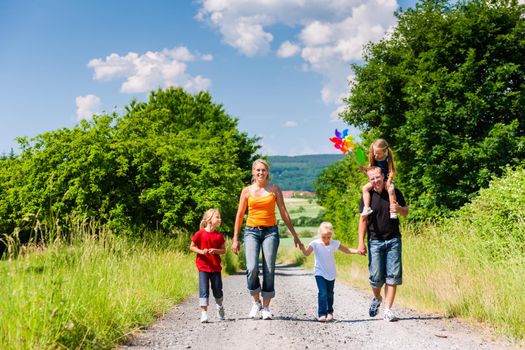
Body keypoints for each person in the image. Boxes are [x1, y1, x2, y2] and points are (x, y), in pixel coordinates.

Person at [231, 159, 302, 320]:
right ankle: (256, 301)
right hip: (251, 232)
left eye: (263, 170)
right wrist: (235, 238)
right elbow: (240, 215)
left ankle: (266, 307)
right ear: (253, 172)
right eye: (258, 170)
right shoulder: (246, 191)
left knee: (269, 268)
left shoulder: (275, 190)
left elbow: (284, 213)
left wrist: (295, 236)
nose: (260, 173)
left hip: (271, 232)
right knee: (252, 268)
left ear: (267, 172)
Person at [358, 166, 408, 322]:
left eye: (377, 177)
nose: (375, 181)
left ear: (383, 176)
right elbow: (363, 221)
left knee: (393, 276)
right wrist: (361, 242)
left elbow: (406, 211)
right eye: (371, 179)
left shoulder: (394, 191)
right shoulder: (367, 197)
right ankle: (377, 298)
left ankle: (387, 310)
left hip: (393, 239)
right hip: (375, 240)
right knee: (376, 276)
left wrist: (399, 208)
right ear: (369, 181)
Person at [299, 222, 358, 322]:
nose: (326, 240)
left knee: (330, 293)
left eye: (328, 237)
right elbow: (307, 253)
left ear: (331, 236)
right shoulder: (315, 243)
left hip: (331, 273)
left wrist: (358, 251)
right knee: (323, 293)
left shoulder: (335, 243)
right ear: (320, 234)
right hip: (319, 272)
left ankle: (330, 312)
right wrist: (303, 248)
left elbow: (346, 250)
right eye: (324, 237)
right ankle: (322, 314)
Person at [190, 208, 226, 323]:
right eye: (217, 217)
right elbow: (192, 246)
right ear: (209, 220)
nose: (220, 219)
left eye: (220, 217)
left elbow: (223, 250)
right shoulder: (200, 234)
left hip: (215, 267)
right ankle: (204, 313)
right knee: (203, 289)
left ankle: (220, 307)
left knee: (217, 289)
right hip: (203, 267)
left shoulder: (219, 236)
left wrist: (215, 250)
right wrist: (202, 251)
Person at [360, 139, 397, 219]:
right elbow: (370, 172)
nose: (376, 155)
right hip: (376, 180)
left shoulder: (388, 159)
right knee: (365, 188)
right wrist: (365, 170)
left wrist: (389, 181)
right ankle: (367, 208)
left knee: (391, 190)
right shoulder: (374, 158)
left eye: (379, 153)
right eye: (375, 152)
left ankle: (393, 210)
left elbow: (392, 171)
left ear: (384, 151)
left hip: (386, 180)